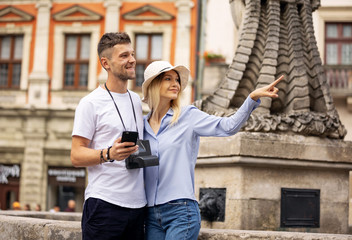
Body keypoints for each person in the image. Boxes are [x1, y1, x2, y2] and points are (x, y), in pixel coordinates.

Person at [141, 60, 283, 240]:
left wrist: (252, 98)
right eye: (168, 79)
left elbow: (228, 126)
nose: (175, 84)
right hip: (150, 214)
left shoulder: (188, 116)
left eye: (177, 80)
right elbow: (140, 169)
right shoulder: (141, 127)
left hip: (180, 211)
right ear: (153, 84)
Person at [70, 32, 146, 240]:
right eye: (123, 56)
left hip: (138, 206)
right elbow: (76, 155)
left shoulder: (137, 101)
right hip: (104, 205)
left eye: (132, 54)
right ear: (106, 63)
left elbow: (140, 149)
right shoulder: (90, 103)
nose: (131, 60)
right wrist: (109, 153)